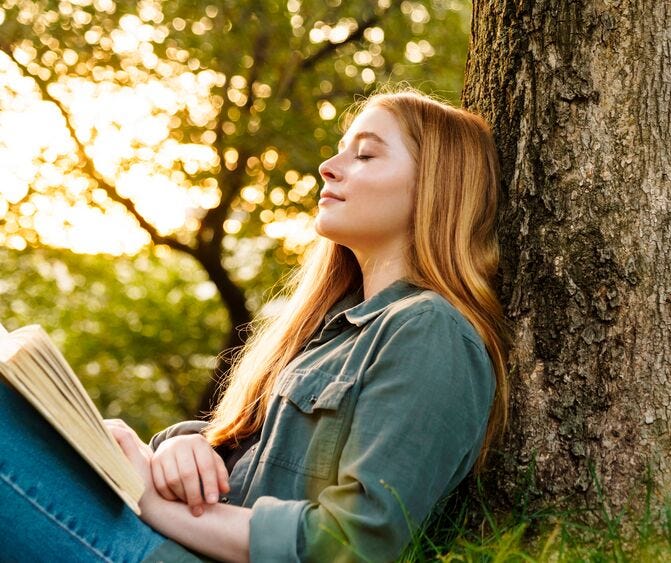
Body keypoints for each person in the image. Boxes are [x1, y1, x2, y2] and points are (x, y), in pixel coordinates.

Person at [0, 88, 510, 562]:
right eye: (339, 151)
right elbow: (254, 461)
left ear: (436, 188)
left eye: (365, 154)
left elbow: (354, 543)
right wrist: (184, 446)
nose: (329, 168)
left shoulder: (429, 333)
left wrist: (153, 503)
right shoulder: (328, 329)